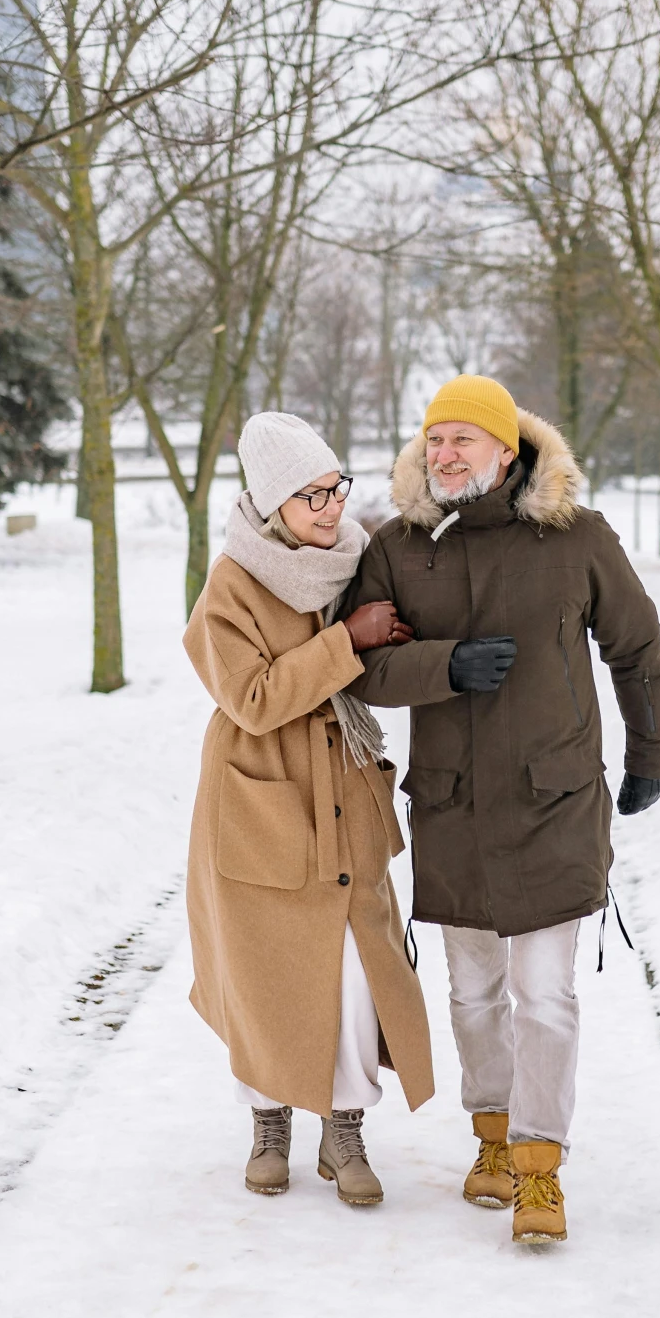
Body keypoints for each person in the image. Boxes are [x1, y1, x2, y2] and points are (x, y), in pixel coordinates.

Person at [348, 375, 660, 1245]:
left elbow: (636, 649)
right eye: (434, 440)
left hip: (552, 800)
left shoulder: (576, 538)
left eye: (464, 439)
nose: (445, 453)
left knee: (545, 995)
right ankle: (488, 1138)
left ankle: (539, 1167)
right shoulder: (398, 548)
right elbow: (359, 667)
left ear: (507, 449)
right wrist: (442, 668)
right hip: (452, 808)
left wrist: (651, 757)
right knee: (471, 994)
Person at [183, 411, 433, 1208]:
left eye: (334, 489)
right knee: (263, 968)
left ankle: (345, 1123)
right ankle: (269, 1120)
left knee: (359, 969)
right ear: (267, 503)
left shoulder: (354, 562)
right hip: (260, 793)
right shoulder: (231, 583)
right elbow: (253, 699)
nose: (329, 509)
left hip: (342, 786)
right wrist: (348, 642)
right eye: (308, 496)